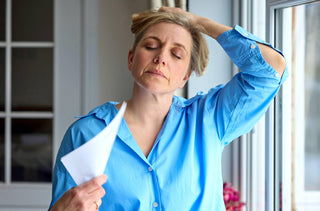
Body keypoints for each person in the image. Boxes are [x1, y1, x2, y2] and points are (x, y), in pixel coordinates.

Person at [49, 6, 287, 211]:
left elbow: (271, 70)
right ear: (131, 59)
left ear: (185, 77)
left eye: (176, 54)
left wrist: (200, 22)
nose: (161, 57)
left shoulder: (209, 119)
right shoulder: (85, 134)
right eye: (151, 46)